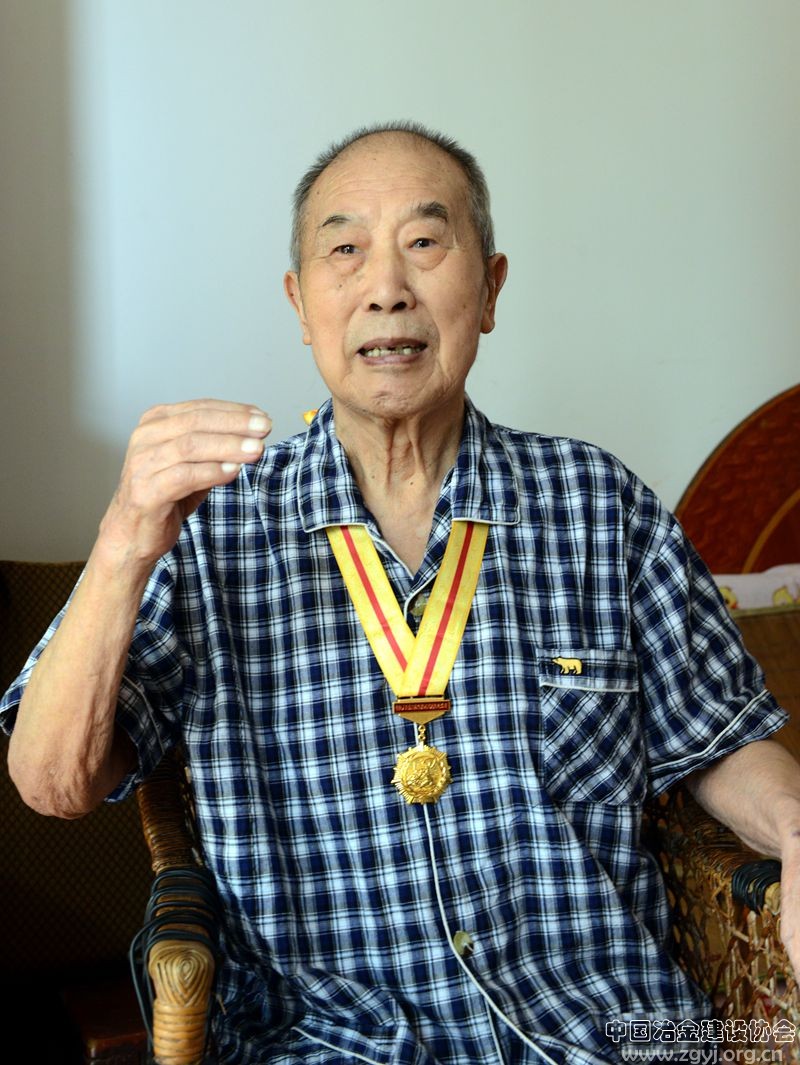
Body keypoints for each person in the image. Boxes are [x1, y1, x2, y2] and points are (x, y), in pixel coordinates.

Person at [2, 121, 800, 1065]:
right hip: (335, 1044)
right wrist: (124, 539)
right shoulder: (210, 526)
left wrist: (796, 829)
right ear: (300, 304)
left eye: (425, 241)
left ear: (490, 290)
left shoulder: (600, 504)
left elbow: (722, 739)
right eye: (345, 250)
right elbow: (52, 781)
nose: (386, 286)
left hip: (612, 1032)